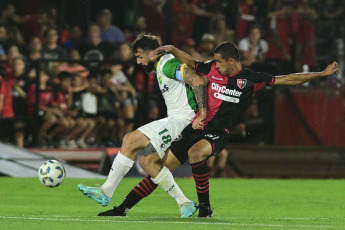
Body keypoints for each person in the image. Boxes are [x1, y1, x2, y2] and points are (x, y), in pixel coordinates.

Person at [100, 42, 340, 218]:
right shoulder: (210, 69)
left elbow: (287, 79)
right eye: (215, 61)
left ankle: (205, 208)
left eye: (220, 62)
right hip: (196, 127)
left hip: (218, 131)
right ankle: (123, 208)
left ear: (233, 61)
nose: (216, 65)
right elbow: (191, 62)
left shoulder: (250, 79)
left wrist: (321, 74)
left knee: (195, 154)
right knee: (160, 168)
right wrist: (173, 49)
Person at [78, 33, 208, 218]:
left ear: (152, 53)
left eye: (140, 57)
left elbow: (197, 80)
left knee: (147, 161)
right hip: (173, 118)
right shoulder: (162, 65)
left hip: (183, 121)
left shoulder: (167, 64)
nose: (138, 62)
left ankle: (184, 202)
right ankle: (106, 191)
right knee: (129, 140)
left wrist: (201, 112)